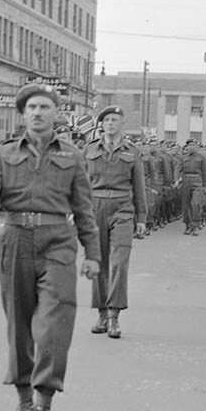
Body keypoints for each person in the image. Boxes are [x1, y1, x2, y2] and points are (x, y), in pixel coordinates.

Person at [0, 84, 100, 411]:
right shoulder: (3, 154)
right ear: (23, 114)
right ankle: (24, 402)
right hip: (15, 241)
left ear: (56, 113)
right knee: (20, 326)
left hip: (58, 242)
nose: (38, 113)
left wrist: (92, 254)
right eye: (31, 107)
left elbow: (84, 209)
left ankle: (44, 405)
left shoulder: (73, 156)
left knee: (53, 325)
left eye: (45, 106)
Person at [83, 105, 147, 339]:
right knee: (98, 262)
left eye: (115, 120)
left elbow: (138, 186)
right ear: (102, 124)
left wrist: (141, 218)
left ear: (122, 124)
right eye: (107, 120)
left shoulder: (132, 151)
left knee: (120, 262)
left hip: (122, 209)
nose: (110, 123)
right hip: (95, 208)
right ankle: (101, 314)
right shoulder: (89, 149)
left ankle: (114, 316)